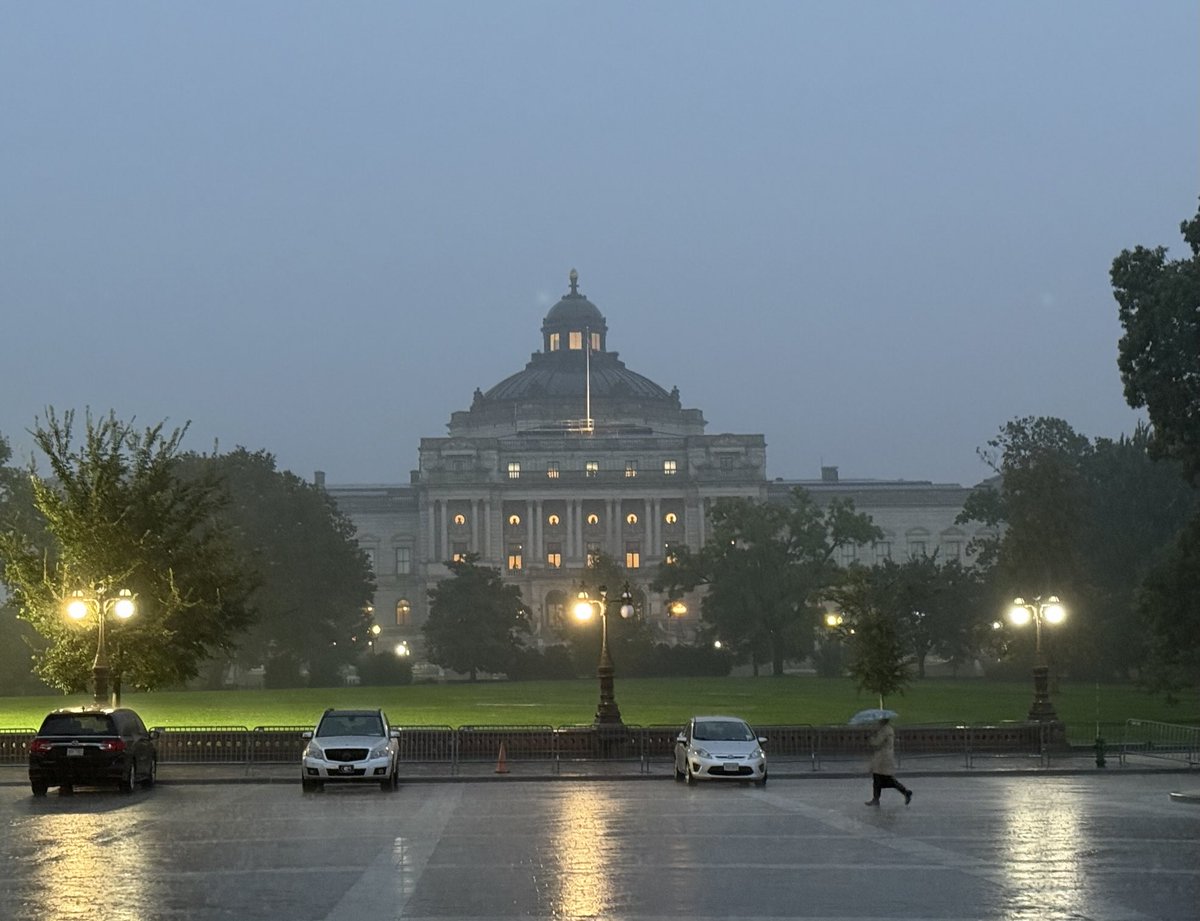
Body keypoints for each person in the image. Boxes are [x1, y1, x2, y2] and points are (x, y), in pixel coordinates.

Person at [865, 716, 912, 806]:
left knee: (882, 778)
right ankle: (876, 799)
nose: (878, 721)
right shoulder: (888, 729)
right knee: (879, 778)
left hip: (882, 758)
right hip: (885, 757)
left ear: (883, 721)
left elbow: (877, 742)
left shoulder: (884, 730)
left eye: (879, 720)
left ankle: (905, 792)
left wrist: (870, 738)